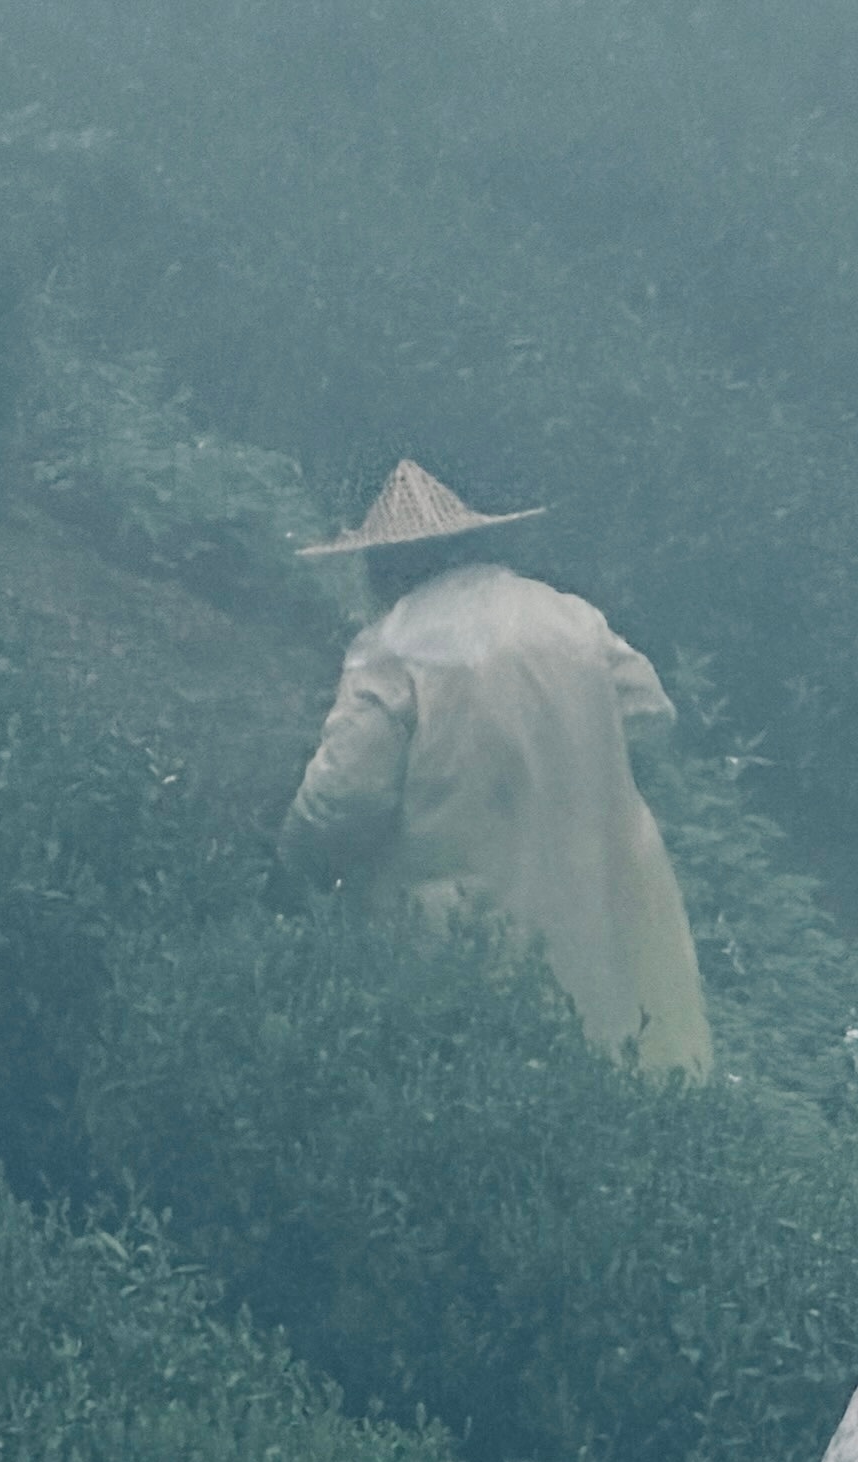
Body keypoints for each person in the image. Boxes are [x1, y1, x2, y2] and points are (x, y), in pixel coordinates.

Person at [279, 460, 713, 1080]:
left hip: (454, 927)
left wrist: (294, 862)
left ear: (386, 564)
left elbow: (344, 797)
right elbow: (649, 714)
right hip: (590, 901)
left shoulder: (393, 645)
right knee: (600, 1065)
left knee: (465, 1080)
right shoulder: (570, 618)